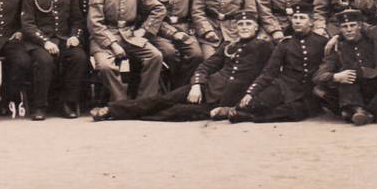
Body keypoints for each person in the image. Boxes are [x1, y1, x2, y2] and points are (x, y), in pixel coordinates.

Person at [90, 10, 272, 122]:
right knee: (163, 99)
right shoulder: (228, 46)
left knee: (175, 112)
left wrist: (247, 99)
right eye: (241, 24)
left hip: (225, 99)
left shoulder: (264, 47)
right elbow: (206, 66)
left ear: (256, 28)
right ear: (235, 28)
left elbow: (268, 74)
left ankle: (124, 115)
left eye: (249, 24)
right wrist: (197, 85)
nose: (244, 27)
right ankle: (111, 110)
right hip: (208, 88)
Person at [86, 0, 168, 105]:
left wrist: (144, 30)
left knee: (155, 56)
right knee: (104, 66)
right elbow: (95, 23)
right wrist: (112, 44)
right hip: (104, 36)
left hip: (131, 35)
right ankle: (121, 101)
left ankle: (145, 100)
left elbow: (159, 8)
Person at [231, 8, 329, 123]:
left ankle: (250, 117)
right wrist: (251, 93)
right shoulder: (285, 44)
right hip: (284, 86)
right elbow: (269, 72)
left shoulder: (322, 42)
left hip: (308, 91)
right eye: (295, 18)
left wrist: (337, 38)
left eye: (302, 18)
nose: (297, 21)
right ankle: (235, 111)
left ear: (311, 22)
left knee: (295, 111)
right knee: (253, 104)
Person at [21, 0, 88, 120]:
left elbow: (77, 20)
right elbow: (27, 24)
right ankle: (40, 106)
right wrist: (44, 41)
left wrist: (74, 36)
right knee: (44, 61)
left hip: (64, 39)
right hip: (39, 42)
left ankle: (67, 103)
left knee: (78, 57)